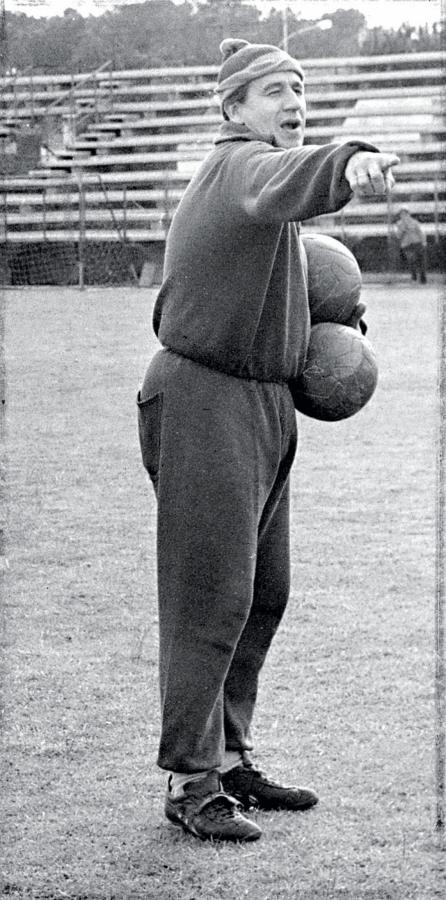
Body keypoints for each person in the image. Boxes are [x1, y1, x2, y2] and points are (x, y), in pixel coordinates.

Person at [137, 38, 399, 843]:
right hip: (204, 396)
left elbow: (284, 280)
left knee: (263, 592)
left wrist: (330, 328)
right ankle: (191, 781)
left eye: (301, 89)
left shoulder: (267, 198)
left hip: (263, 402)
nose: (295, 101)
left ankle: (230, 756)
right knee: (210, 595)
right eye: (275, 89)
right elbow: (283, 180)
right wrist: (346, 158)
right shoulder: (239, 167)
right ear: (233, 108)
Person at [394, 208, 427, 283]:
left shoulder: (415, 222)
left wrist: (424, 242)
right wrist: (402, 229)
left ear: (408, 214)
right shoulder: (399, 224)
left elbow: (420, 232)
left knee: (421, 261)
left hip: (417, 243)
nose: (403, 216)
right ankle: (414, 277)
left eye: (405, 214)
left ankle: (423, 278)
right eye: (401, 214)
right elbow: (398, 236)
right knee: (411, 260)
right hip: (407, 245)